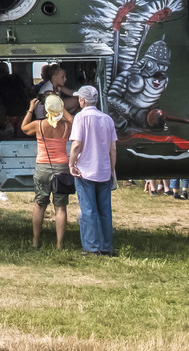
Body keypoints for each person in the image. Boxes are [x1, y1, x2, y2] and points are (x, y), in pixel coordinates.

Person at [68, 85, 116, 256]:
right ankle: (106, 247)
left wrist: (71, 164)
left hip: (85, 170)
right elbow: (113, 149)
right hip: (103, 170)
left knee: (88, 210)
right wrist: (112, 170)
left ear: (82, 100)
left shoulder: (80, 118)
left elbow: (77, 145)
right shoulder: (107, 119)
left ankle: (92, 247)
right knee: (105, 210)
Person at [22, 94, 74, 249]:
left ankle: (35, 241)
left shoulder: (39, 125)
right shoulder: (66, 126)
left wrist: (30, 110)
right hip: (62, 167)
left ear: (46, 109)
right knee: (61, 207)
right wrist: (63, 110)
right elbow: (74, 121)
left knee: (40, 204)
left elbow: (24, 128)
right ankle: (59, 244)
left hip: (43, 166)